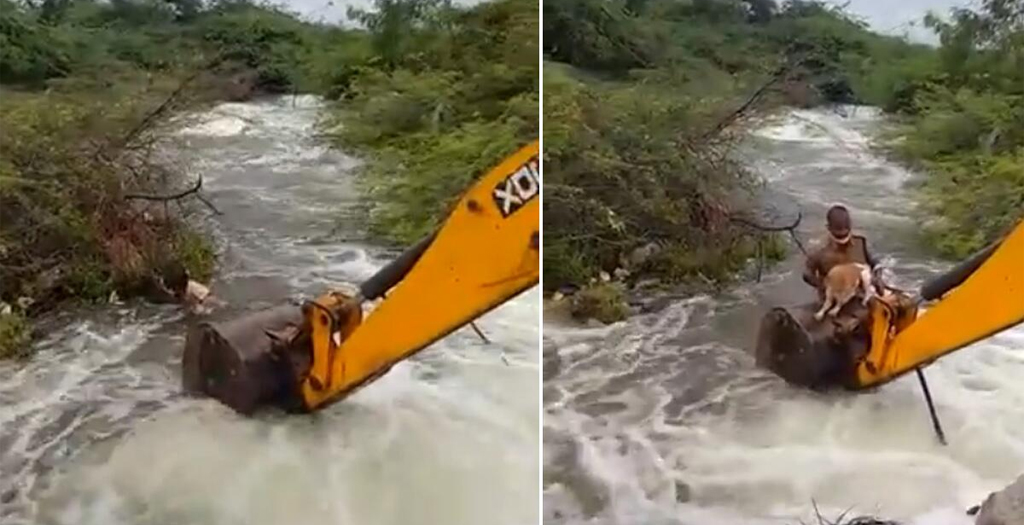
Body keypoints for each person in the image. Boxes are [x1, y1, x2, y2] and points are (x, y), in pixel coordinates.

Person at [803, 204, 880, 298]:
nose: (842, 238)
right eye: (838, 235)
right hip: (833, 297)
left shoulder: (861, 241)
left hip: (860, 293)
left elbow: (876, 262)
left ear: (850, 227)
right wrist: (823, 286)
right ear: (829, 228)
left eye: (845, 233)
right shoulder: (818, 249)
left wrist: (878, 278)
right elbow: (807, 274)